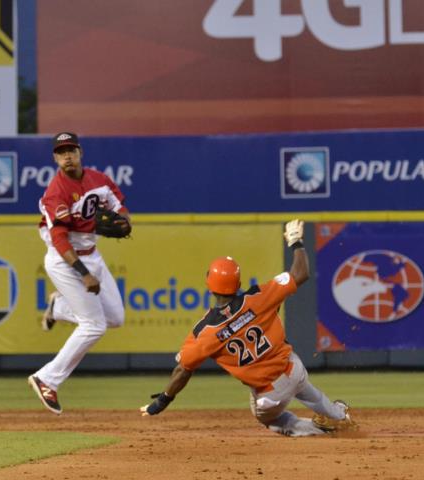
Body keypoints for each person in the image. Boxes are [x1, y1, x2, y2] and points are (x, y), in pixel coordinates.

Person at [140, 220, 357, 436]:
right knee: (304, 387)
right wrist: (295, 241)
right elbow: (301, 273)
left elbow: (182, 370)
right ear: (237, 281)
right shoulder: (258, 297)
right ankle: (338, 416)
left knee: (270, 419)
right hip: (293, 368)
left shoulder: (205, 332)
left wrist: (163, 400)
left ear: (210, 286)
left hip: (270, 395)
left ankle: (320, 430)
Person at [28, 132, 131, 414]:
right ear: (55, 158)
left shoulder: (99, 179)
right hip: (65, 262)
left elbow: (119, 205)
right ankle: (46, 379)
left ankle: (57, 307)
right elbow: (60, 240)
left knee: (115, 318)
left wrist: (124, 220)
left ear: (80, 152)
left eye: (71, 150)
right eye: (61, 152)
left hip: (92, 255)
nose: (67, 156)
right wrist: (84, 274)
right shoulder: (56, 192)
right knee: (93, 325)